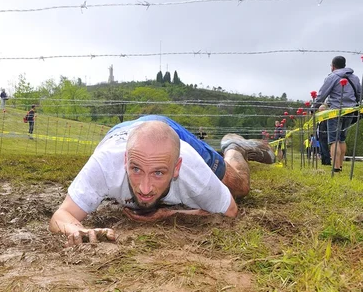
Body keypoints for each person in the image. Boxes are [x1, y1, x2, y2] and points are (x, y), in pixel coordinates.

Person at [49, 116, 275, 246]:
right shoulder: (105, 163)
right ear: (125, 160)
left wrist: (171, 214)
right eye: (136, 169)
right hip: (120, 134)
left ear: (176, 168)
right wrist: (75, 229)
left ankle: (235, 147)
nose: (145, 189)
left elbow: (231, 211)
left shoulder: (190, 167)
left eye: (158, 173)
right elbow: (62, 215)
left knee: (240, 187)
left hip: (170, 131)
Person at [314, 55, 361, 172]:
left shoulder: (332, 77)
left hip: (335, 112)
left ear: (333, 66)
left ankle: (335, 168)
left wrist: (313, 107)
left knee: (334, 140)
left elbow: (322, 94)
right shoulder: (355, 78)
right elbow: (360, 95)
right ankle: (340, 165)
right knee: (342, 138)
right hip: (350, 111)